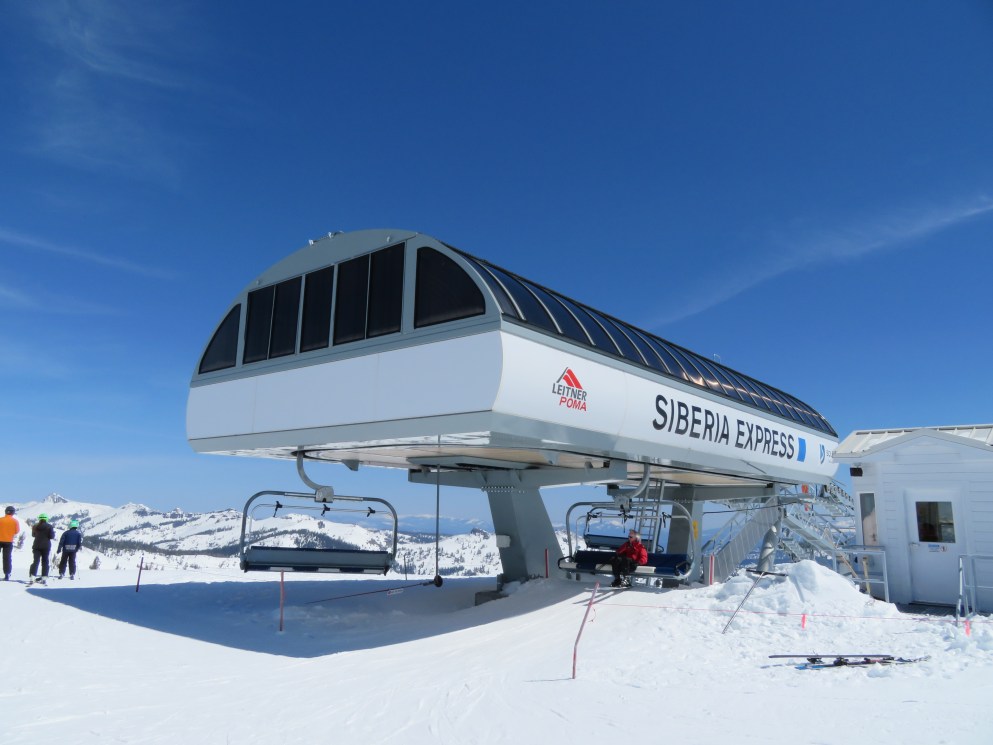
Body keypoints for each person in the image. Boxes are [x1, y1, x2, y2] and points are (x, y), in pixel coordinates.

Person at [29, 513, 56, 584]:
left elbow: (33, 535)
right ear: (46, 519)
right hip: (46, 546)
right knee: (45, 562)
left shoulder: (35, 526)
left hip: (36, 546)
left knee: (35, 561)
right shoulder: (49, 526)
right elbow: (51, 536)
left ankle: (32, 576)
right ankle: (44, 577)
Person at [0, 506, 19, 581]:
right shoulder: (15, 521)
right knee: (7, 558)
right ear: (13, 513)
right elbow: (16, 531)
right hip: (8, 541)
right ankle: (7, 574)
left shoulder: (0, 520)